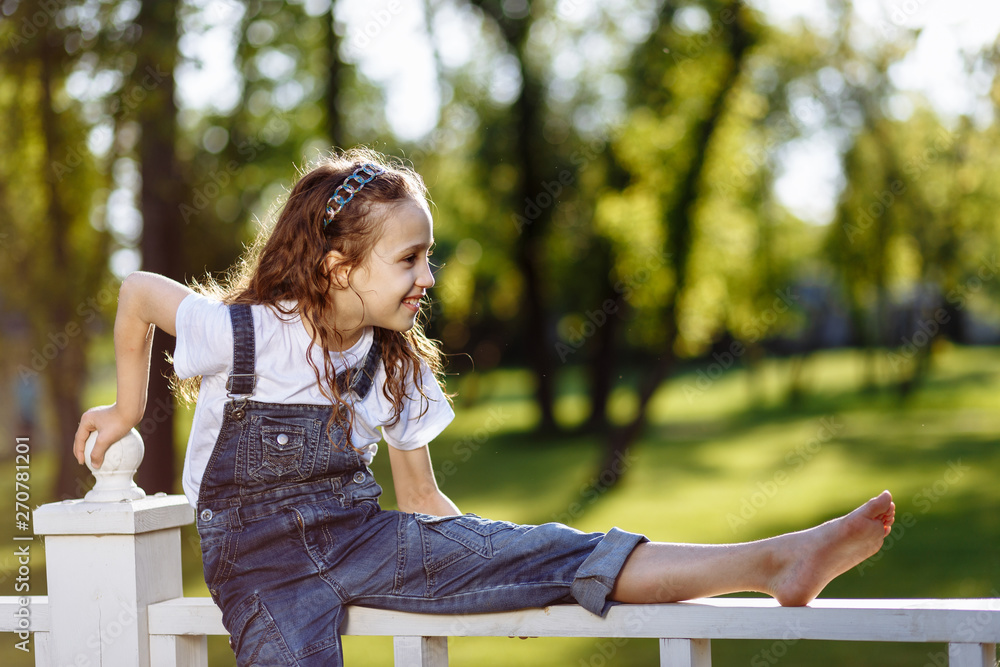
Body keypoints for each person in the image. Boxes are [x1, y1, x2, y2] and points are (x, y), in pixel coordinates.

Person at [73, 148, 895, 666]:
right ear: (335, 268)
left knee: (553, 551)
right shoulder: (248, 333)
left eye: (427, 258)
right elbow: (139, 293)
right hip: (259, 567)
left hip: (361, 537)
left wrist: (484, 554)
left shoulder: (391, 366)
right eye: (410, 259)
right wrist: (125, 405)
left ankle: (770, 562)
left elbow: (421, 501)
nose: (427, 278)